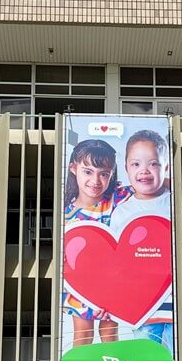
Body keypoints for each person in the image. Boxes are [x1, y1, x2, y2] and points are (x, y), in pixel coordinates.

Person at [109, 129, 174, 352]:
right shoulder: (122, 211)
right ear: (126, 167)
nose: (144, 171)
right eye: (136, 164)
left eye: (153, 164)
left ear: (165, 168)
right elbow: (117, 263)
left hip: (175, 306)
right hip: (143, 309)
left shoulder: (174, 202)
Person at [62, 138, 131, 346]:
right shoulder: (65, 213)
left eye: (104, 173)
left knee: (110, 337)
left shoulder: (116, 198)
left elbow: (152, 186)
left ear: (112, 173)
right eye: (88, 171)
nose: (96, 180)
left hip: (113, 283)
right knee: (82, 338)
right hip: (80, 285)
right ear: (74, 168)